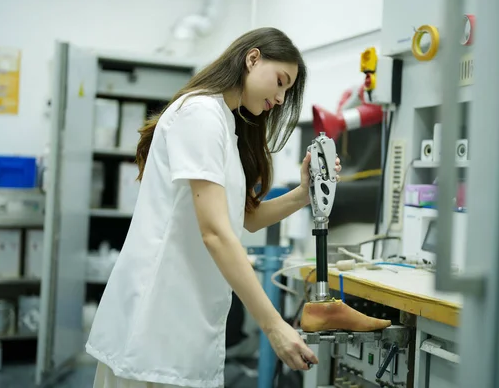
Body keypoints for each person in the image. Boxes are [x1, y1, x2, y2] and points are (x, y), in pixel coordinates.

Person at [85, 27, 342, 388]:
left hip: (180, 325)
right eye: (280, 82)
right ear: (252, 58)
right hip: (154, 325)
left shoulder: (223, 121)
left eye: (287, 91)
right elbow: (216, 233)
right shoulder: (200, 115)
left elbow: (244, 219)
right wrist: (274, 325)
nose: (281, 98)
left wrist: (303, 194)